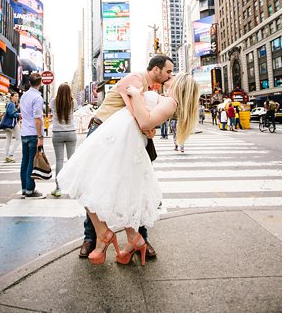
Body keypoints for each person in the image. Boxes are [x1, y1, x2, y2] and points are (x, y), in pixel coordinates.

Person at [57, 73, 199, 266]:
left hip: (122, 142)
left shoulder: (171, 103)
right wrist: (137, 101)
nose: (170, 77)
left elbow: (145, 122)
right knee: (99, 185)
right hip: (118, 138)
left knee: (88, 183)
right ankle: (131, 239)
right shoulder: (167, 101)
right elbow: (144, 121)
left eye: (174, 76)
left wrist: (136, 95)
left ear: (180, 85)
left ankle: (106, 235)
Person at [74, 55, 174, 260]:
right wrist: (148, 128)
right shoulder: (135, 80)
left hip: (122, 139)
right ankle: (91, 237)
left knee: (134, 186)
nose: (169, 75)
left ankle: (139, 239)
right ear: (156, 69)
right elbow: (137, 114)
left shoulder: (147, 88)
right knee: (93, 185)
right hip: (101, 131)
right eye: (168, 71)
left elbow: (141, 118)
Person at [20, 73, 45, 199]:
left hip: (24, 132)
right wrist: (40, 137)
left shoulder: (23, 96)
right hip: (32, 133)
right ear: (40, 84)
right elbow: (37, 119)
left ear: (29, 83)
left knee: (24, 161)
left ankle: (24, 188)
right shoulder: (37, 98)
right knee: (31, 162)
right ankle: (30, 190)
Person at [49, 83, 77, 197]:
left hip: (57, 133)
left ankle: (58, 188)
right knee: (72, 161)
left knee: (59, 161)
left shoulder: (53, 102)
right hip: (71, 132)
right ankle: (73, 188)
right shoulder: (73, 102)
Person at [3, 92, 21, 163]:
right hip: (12, 124)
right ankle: (11, 155)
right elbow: (11, 114)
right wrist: (19, 114)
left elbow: (12, 112)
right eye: (15, 96)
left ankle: (6, 156)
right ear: (11, 97)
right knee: (19, 139)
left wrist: (18, 109)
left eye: (18, 96)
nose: (17, 97)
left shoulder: (11, 104)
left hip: (7, 125)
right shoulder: (11, 104)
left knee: (8, 140)